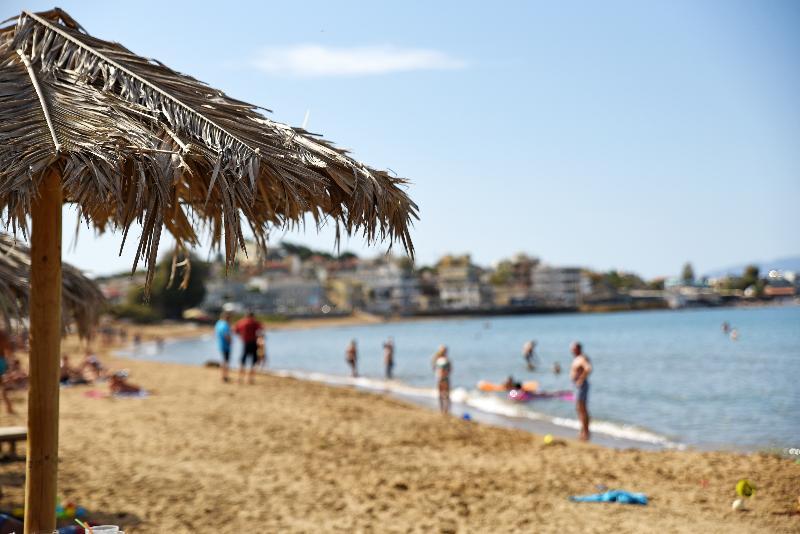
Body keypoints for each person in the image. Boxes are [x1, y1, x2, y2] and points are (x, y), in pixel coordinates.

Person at [569, 341, 592, 441]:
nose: (571, 350)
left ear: (577, 348)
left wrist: (581, 379)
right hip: (578, 386)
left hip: (581, 386)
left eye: (573, 348)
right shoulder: (577, 358)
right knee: (579, 409)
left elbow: (588, 368)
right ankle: (583, 430)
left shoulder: (582, 358)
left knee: (582, 409)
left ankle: (585, 433)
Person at [234, 311, 263, 385]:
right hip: (253, 343)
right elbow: (260, 332)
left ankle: (240, 378)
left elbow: (235, 331)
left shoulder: (240, 322)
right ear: (252, 316)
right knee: (253, 361)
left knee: (243, 360)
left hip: (245, 343)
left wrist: (241, 336)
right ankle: (250, 379)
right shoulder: (255, 322)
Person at [431, 345, 452, 415]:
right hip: (440, 378)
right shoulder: (437, 359)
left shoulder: (446, 359)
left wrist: (445, 373)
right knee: (441, 394)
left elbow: (450, 369)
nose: (444, 352)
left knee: (446, 395)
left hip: (445, 378)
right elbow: (433, 367)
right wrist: (438, 373)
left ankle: (446, 410)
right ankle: (442, 409)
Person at [215, 311, 233, 382]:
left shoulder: (218, 323)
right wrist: (230, 341)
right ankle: (225, 376)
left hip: (220, 344)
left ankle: (223, 376)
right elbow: (226, 335)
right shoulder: (225, 325)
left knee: (224, 361)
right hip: (226, 345)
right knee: (226, 361)